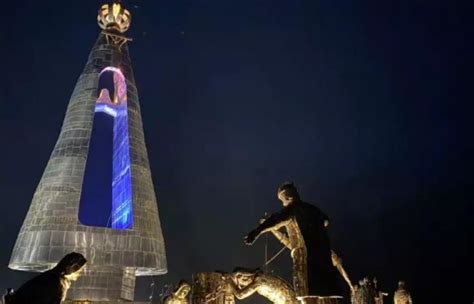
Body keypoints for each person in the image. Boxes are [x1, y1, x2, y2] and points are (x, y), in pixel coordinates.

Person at [244, 182, 341, 301]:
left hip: (303, 257)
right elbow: (326, 221)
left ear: (287, 197)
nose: (283, 203)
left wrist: (256, 231)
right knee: (326, 294)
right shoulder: (314, 209)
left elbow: (274, 220)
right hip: (323, 257)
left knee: (306, 294)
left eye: (282, 200)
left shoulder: (291, 210)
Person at [7, 252, 86, 304]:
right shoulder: (55, 281)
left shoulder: (50, 277)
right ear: (70, 265)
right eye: (76, 268)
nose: (77, 271)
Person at [223, 267, 298, 304]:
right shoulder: (263, 277)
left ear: (244, 277)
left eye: (242, 284)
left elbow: (240, 295)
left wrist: (229, 281)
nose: (245, 286)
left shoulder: (259, 281)